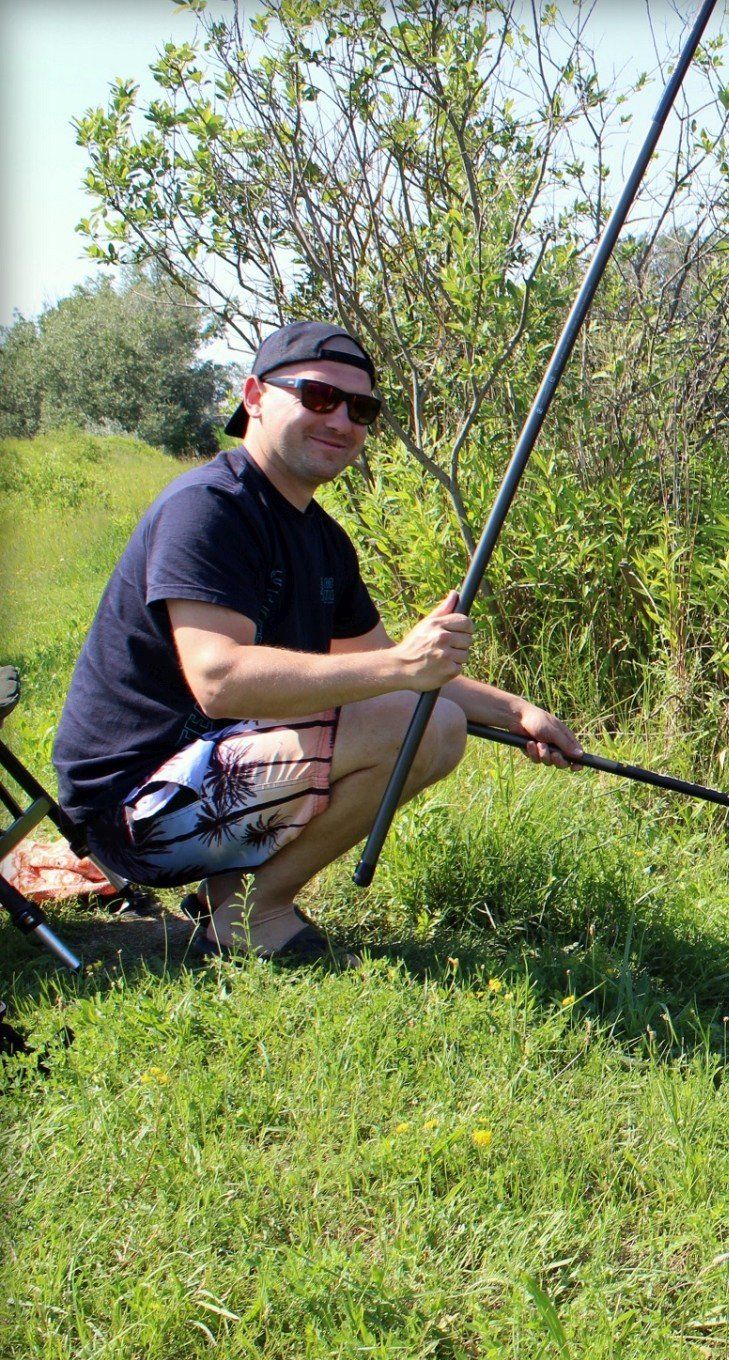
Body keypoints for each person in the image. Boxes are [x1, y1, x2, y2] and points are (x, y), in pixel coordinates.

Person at [53, 321, 581, 960]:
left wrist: (517, 713)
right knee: (432, 725)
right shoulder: (209, 507)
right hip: (131, 808)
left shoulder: (323, 538)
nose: (341, 421)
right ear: (253, 396)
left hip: (216, 773)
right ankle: (252, 912)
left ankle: (235, 896)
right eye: (317, 396)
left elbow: (399, 671)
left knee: (429, 718)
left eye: (362, 409)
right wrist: (401, 667)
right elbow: (220, 681)